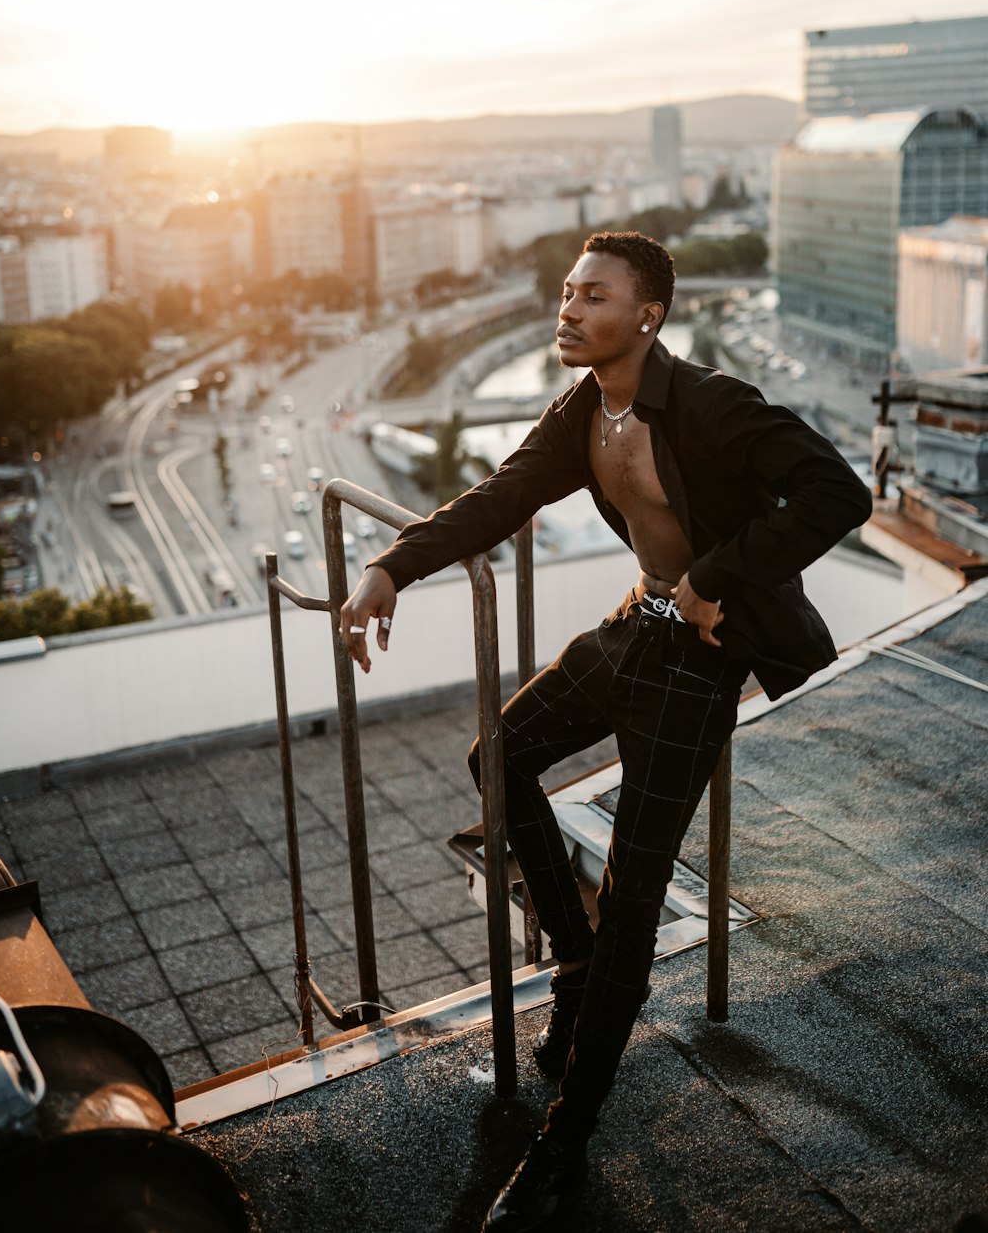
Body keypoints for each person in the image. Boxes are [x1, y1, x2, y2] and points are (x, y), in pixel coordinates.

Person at [340, 231, 873, 1232]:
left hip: (702, 662)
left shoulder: (710, 402)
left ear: (649, 315)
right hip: (635, 627)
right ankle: (577, 963)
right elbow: (496, 498)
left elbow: (840, 491)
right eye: (565, 292)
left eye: (594, 295)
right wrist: (389, 566)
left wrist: (719, 574)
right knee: (494, 757)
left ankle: (564, 1140)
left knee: (635, 900)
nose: (568, 308)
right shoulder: (583, 412)